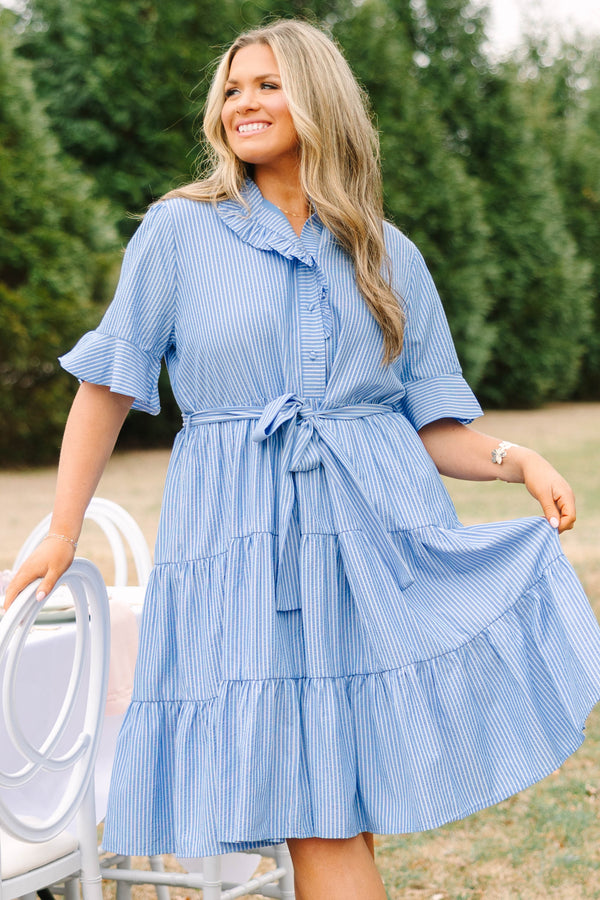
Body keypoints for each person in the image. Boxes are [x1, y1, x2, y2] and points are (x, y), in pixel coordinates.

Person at [5, 18, 600, 900]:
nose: (242, 103)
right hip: (245, 539)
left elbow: (432, 423)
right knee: (316, 806)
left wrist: (519, 461)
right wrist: (62, 530)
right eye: (232, 89)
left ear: (319, 100)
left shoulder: (386, 251)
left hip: (372, 544)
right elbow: (106, 388)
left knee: (341, 798)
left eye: (268, 85)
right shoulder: (178, 232)